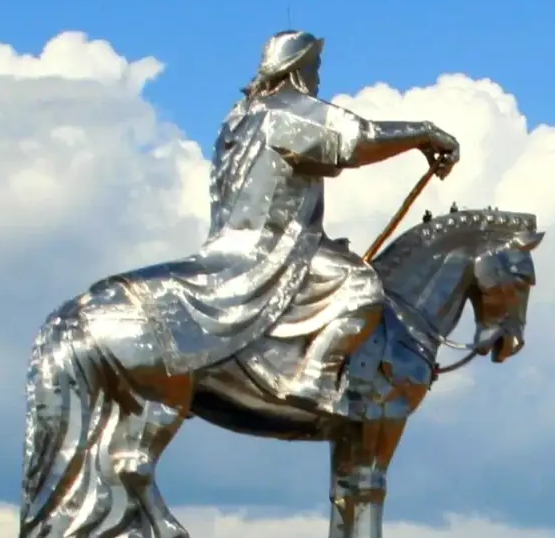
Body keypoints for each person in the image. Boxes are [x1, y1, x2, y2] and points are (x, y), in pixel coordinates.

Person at [156, 30, 461, 412]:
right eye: (314, 68)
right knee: (361, 285)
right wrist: (423, 134)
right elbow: (357, 139)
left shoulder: (239, 118)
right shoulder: (288, 109)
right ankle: (314, 377)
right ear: (296, 70)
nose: (317, 78)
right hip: (273, 248)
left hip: (229, 243)